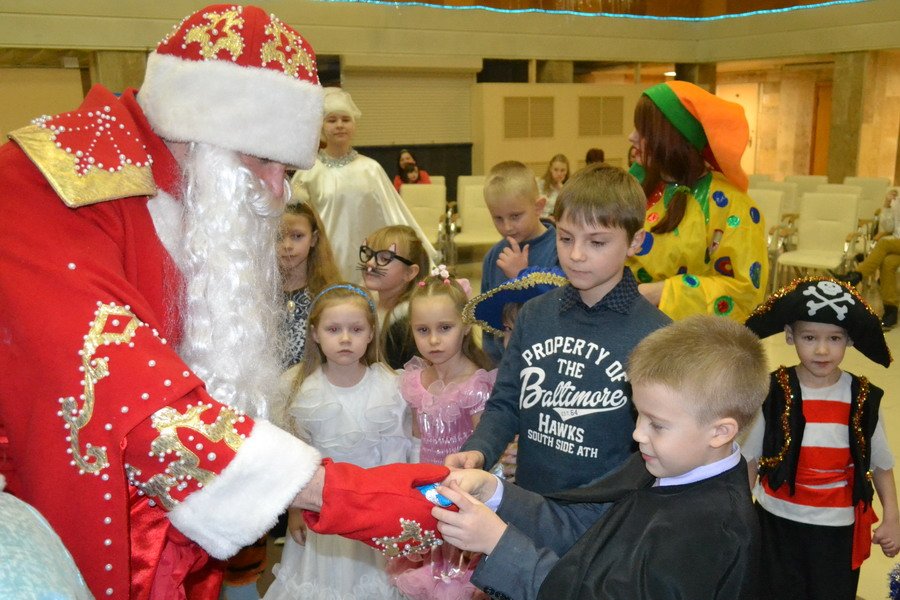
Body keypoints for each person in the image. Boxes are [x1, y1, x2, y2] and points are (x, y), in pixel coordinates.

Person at [0, 5, 333, 598]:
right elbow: (132, 407)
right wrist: (340, 494)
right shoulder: (52, 185)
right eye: (263, 161)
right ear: (201, 130)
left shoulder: (182, 191)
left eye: (287, 169)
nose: (277, 193)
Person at [431, 315, 767, 600]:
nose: (638, 434)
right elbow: (583, 528)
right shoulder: (663, 462)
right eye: (639, 414)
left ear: (720, 432)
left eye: (657, 424)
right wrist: (494, 493)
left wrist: (500, 543)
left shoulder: (713, 531)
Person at [446, 164, 671, 494]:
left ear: (635, 241)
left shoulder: (657, 336)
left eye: (596, 242)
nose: (576, 255)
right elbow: (505, 403)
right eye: (565, 238)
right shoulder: (535, 315)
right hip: (532, 502)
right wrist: (479, 449)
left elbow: (657, 444)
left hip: (608, 516)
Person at [743, 276, 900, 600]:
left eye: (835, 338)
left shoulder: (863, 397)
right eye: (810, 337)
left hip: (837, 528)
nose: (822, 349)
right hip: (777, 521)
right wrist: (740, 516)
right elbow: (751, 460)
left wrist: (892, 518)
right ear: (790, 336)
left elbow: (881, 463)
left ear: (850, 341)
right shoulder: (772, 391)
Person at [267, 284, 412, 600]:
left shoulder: (391, 387)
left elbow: (397, 456)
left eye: (356, 329)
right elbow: (292, 458)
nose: (345, 338)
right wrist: (294, 508)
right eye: (334, 329)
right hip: (321, 511)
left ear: (371, 333)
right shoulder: (298, 388)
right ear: (316, 334)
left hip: (373, 510)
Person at [391, 267, 496, 600]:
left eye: (444, 328)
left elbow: (486, 454)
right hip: (424, 495)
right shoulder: (414, 381)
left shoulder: (476, 385)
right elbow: (415, 440)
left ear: (465, 327)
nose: (433, 340)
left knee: (454, 583)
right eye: (423, 330)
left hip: (460, 497)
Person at [626, 80, 768, 323]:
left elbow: (745, 293)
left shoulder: (732, 206)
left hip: (692, 348)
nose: (632, 137)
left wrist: (662, 292)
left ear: (671, 138)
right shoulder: (635, 188)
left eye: (644, 131)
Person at [292, 90, 436, 283]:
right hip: (323, 261)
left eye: (346, 119)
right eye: (332, 120)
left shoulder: (371, 169)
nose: (340, 125)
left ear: (354, 125)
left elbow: (393, 214)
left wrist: (417, 252)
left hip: (368, 262)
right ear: (321, 126)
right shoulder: (308, 171)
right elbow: (296, 222)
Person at [462, 266, 569, 482]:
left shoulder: (569, 384)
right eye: (508, 329)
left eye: (522, 329)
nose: (510, 341)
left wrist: (534, 458)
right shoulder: (507, 379)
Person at [479, 161, 559, 364]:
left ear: (538, 206)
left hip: (552, 361)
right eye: (498, 218)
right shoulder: (493, 257)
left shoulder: (561, 247)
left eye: (515, 216)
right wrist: (493, 364)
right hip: (505, 364)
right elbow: (488, 322)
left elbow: (561, 303)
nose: (507, 227)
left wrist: (523, 275)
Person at [279, 202, 340, 370]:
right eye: (278, 236)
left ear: (313, 239)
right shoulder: (259, 294)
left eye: (297, 236)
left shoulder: (329, 296)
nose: (287, 245)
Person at [362, 225, 430, 369]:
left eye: (384, 258)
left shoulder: (407, 325)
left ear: (410, 273)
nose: (369, 263)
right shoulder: (362, 306)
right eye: (368, 254)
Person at [834, 189, 900, 329]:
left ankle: (856, 276)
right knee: (888, 262)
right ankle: (891, 311)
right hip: (896, 246)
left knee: (884, 243)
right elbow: (889, 227)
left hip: (893, 244)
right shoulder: (898, 198)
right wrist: (888, 205)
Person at [536, 153, 570, 218]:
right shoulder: (540, 184)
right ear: (550, 169)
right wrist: (547, 217)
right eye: (556, 170)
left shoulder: (567, 189)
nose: (559, 173)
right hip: (540, 220)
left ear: (567, 171)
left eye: (562, 170)